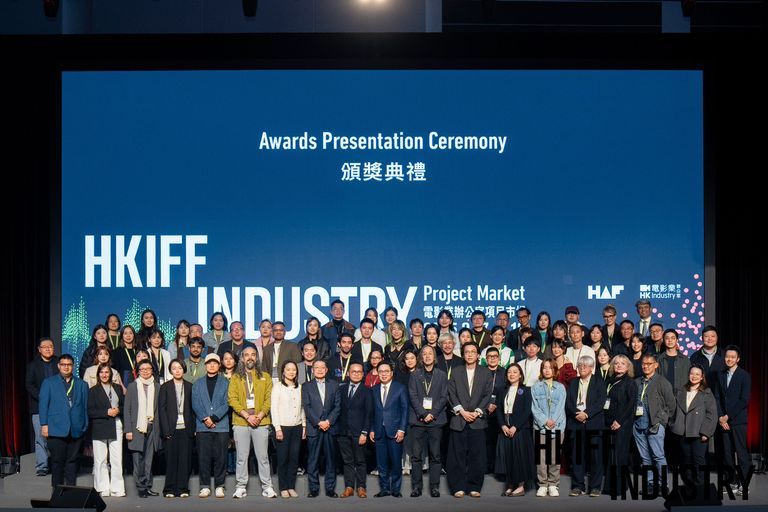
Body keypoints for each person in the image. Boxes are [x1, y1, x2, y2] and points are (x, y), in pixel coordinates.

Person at [228, 346, 276, 498]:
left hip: (261, 422)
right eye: (247, 355)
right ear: (242, 359)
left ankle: (267, 487)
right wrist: (247, 416)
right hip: (241, 422)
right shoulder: (235, 377)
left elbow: (269, 399)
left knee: (263, 457)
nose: (250, 357)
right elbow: (232, 399)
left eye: (253, 355)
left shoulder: (266, 377)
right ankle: (240, 487)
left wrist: (259, 416)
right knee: (241, 457)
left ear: (257, 358)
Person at [446, 342, 493, 498]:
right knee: (456, 456)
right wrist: (462, 411)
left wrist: (477, 412)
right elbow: (451, 393)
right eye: (467, 352)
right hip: (459, 419)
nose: (470, 354)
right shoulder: (456, 371)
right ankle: (457, 486)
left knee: (477, 456)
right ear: (463, 355)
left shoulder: (486, 372)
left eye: (473, 352)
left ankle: (474, 486)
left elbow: (488, 394)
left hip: (477, 421)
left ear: (478, 355)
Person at [39, 354, 89, 487]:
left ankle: (70, 492)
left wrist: (84, 426)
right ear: (58, 366)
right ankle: (57, 493)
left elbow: (85, 407)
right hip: (56, 428)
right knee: (57, 462)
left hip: (76, 428)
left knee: (72, 462)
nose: (66, 367)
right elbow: (43, 405)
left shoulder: (82, 384)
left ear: (73, 366)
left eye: (69, 365)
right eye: (63, 365)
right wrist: (44, 424)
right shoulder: (49, 383)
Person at [407, 345, 447, 497]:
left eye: (430, 353)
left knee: (435, 456)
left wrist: (432, 413)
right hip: (418, 420)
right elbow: (412, 396)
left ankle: (434, 487)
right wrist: (423, 413)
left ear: (434, 357)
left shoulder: (442, 375)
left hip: (436, 421)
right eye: (424, 354)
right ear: (421, 357)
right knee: (416, 456)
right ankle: (416, 487)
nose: (428, 356)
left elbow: (444, 396)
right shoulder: (415, 375)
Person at [633, 353, 675, 495]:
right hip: (638, 425)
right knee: (645, 458)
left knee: (658, 456)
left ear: (656, 365)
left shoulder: (662, 382)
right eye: (643, 363)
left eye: (649, 364)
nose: (645, 366)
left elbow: (671, 405)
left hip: (655, 424)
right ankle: (650, 484)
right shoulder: (637, 382)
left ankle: (663, 485)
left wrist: (661, 421)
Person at [566, 355, 607, 497]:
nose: (582, 367)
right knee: (577, 457)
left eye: (585, 365)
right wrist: (577, 414)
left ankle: (595, 487)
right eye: (580, 365)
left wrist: (587, 414)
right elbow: (568, 402)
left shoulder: (599, 382)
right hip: (576, 423)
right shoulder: (573, 382)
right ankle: (578, 486)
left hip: (593, 423)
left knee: (596, 457)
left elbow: (601, 401)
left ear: (591, 368)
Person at [714, 345, 752, 495]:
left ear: (738, 359)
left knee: (741, 454)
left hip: (737, 420)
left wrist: (727, 416)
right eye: (727, 356)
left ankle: (744, 483)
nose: (729, 359)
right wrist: (720, 417)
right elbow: (717, 397)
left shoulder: (744, 375)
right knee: (727, 454)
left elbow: (744, 400)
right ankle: (732, 482)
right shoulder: (721, 374)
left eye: (732, 357)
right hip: (723, 421)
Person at [670, 366, 717, 487]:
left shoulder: (707, 393)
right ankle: (689, 486)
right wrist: (673, 424)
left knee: (698, 460)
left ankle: (700, 487)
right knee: (686, 460)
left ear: (702, 377)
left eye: (697, 374)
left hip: (699, 433)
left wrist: (706, 432)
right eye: (692, 373)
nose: (694, 376)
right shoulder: (680, 391)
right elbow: (672, 410)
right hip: (682, 432)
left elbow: (711, 414)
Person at [192, 353, 231, 499]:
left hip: (221, 426)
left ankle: (220, 486)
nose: (212, 365)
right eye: (209, 363)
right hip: (203, 426)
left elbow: (227, 402)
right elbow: (195, 404)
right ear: (205, 365)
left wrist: (214, 418)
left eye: (215, 363)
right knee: (204, 457)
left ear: (219, 365)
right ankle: (205, 486)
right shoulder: (197, 383)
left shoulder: (226, 382)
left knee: (221, 457)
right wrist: (205, 419)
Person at [302, 359, 341, 498]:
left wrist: (328, 421)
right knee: (313, 460)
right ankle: (313, 489)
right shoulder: (306, 386)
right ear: (312, 370)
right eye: (316, 367)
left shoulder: (334, 385)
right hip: (314, 427)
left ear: (326, 370)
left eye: (322, 367)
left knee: (331, 460)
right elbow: (307, 407)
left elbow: (337, 406)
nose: (319, 370)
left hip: (330, 427)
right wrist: (319, 422)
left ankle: (330, 489)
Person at [370, 361, 409, 497]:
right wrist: (372, 429)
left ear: (391, 373)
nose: (384, 374)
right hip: (379, 431)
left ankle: (396, 490)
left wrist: (402, 429)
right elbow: (372, 412)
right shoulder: (374, 389)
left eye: (386, 371)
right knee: (381, 463)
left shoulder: (400, 388)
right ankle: (384, 489)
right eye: (381, 371)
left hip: (395, 431)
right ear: (378, 374)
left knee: (396, 462)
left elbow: (405, 410)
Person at [495, 364, 535, 497]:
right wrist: (503, 425)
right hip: (505, 427)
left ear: (520, 375)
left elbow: (526, 411)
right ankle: (510, 485)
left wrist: (515, 426)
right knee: (508, 457)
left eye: (515, 372)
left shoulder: (526, 390)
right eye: (509, 372)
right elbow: (499, 410)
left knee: (519, 457)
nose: (512, 374)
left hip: (520, 428)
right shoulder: (502, 390)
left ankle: (520, 486)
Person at [124, 359, 161, 498]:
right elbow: (127, 409)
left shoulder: (157, 386)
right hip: (137, 428)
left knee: (149, 459)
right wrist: (128, 430)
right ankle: (140, 487)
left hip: (152, 427)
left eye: (148, 369)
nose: (145, 371)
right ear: (138, 371)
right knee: (138, 459)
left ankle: (148, 486)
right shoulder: (132, 386)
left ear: (152, 370)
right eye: (142, 369)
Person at [88, 363, 125, 497]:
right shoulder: (93, 390)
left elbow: (123, 405)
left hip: (116, 424)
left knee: (117, 458)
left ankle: (117, 488)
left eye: (107, 372)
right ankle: (102, 487)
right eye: (102, 372)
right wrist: (106, 412)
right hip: (100, 425)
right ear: (98, 374)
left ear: (111, 374)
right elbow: (90, 411)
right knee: (100, 459)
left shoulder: (117, 388)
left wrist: (118, 410)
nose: (104, 375)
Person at [158, 359, 194, 498]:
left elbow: (193, 409)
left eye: (180, 368)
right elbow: (162, 410)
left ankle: (183, 488)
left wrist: (194, 428)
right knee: (171, 460)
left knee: (185, 460)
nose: (177, 370)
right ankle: (169, 489)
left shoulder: (190, 386)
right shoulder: (165, 387)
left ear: (184, 369)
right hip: (170, 429)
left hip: (186, 428)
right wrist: (165, 430)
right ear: (170, 371)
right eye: (174, 368)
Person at [271, 361, 307, 498]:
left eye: (294, 370)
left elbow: (302, 408)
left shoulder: (300, 387)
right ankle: (283, 487)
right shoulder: (278, 387)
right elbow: (274, 409)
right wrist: (277, 428)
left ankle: (291, 486)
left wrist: (304, 425)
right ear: (283, 371)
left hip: (297, 427)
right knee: (283, 459)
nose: (291, 372)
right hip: (283, 427)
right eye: (288, 369)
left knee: (294, 458)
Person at [337, 362, 373, 498]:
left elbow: (369, 413)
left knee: (360, 461)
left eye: (359, 372)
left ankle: (361, 487)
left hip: (359, 432)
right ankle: (349, 487)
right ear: (348, 373)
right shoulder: (341, 389)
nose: (356, 374)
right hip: (343, 432)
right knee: (347, 461)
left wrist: (365, 432)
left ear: (363, 374)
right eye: (353, 371)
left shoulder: (367, 390)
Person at [531, 358, 566, 497]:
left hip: (557, 426)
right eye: (544, 367)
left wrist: (553, 422)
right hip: (540, 427)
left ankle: (553, 484)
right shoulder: (536, 387)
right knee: (541, 458)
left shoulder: (560, 387)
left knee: (554, 457)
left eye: (550, 367)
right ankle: (542, 485)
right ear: (541, 370)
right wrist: (545, 421)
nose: (547, 370)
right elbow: (535, 408)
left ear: (554, 370)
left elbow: (561, 407)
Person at [603, 354, 637, 496]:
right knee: (611, 454)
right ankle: (609, 487)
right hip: (609, 422)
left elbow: (631, 405)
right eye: (616, 363)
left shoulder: (630, 383)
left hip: (622, 424)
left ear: (628, 367)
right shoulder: (609, 381)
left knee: (620, 455)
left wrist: (619, 421)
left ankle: (619, 487)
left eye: (622, 363)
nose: (619, 365)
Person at [26, 337, 59, 476]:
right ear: (39, 349)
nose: (47, 349)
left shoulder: (59, 362)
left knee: (58, 437)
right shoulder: (33, 365)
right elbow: (29, 385)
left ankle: (58, 465)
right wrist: (44, 397)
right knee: (40, 438)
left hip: (58, 406)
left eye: (50, 346)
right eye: (44, 347)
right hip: (39, 407)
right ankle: (42, 467)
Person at [482, 346, 507, 473]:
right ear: (486, 359)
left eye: (495, 356)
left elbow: (507, 391)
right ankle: (486, 465)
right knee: (485, 440)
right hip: (483, 410)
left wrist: (496, 404)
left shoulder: (504, 372)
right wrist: (487, 404)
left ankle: (498, 467)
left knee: (498, 440)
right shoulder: (480, 372)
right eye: (490, 357)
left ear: (499, 358)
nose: (492, 359)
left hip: (499, 411)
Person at [658, 329, 692, 393]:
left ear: (677, 340)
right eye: (667, 338)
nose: (670, 340)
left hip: (681, 395)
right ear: (663, 340)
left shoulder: (685, 360)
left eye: (673, 338)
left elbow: (689, 380)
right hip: (662, 395)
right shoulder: (659, 360)